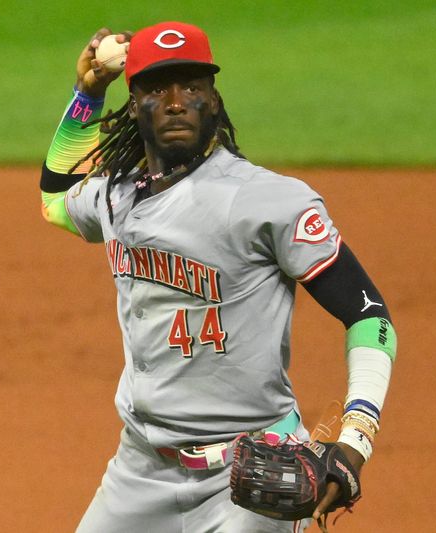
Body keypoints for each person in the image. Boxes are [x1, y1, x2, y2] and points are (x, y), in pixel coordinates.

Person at [40, 21, 397, 533]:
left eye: (192, 86)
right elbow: (56, 199)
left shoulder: (269, 201)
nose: (177, 101)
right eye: (158, 88)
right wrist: (87, 94)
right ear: (134, 100)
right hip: (139, 470)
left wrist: (356, 437)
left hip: (251, 475)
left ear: (214, 98)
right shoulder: (116, 195)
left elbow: (369, 315)